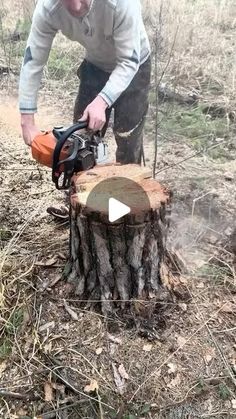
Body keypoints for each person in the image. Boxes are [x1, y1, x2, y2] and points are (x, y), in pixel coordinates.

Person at [19, 0, 151, 165]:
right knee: (79, 139)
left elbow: (129, 62)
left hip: (135, 66)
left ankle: (128, 183)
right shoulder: (47, 8)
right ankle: (79, 185)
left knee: (128, 139)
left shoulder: (123, 3)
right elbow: (33, 61)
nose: (75, 6)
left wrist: (102, 101)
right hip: (95, 64)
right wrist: (27, 120)